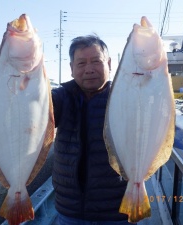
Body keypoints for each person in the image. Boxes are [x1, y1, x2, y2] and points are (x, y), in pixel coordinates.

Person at [51, 34, 136, 225]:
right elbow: (35, 110)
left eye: (96, 61)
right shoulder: (61, 97)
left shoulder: (126, 97)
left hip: (117, 211)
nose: (89, 69)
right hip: (69, 210)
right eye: (81, 63)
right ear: (72, 69)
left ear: (109, 63)